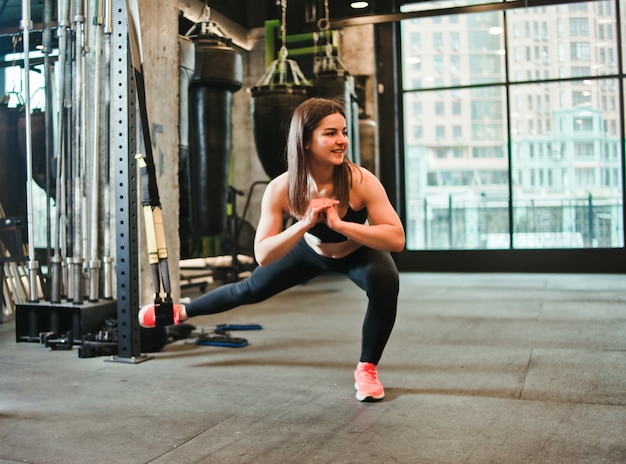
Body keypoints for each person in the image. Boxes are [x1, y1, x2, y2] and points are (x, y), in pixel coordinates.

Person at [139, 97, 405, 402]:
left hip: (357, 251)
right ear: (305, 140)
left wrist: (341, 226)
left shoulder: (360, 180)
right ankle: (178, 312)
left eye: (343, 132)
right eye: (331, 133)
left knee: (386, 283)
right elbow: (263, 255)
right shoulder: (282, 188)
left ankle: (367, 368)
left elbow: (396, 239)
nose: (342, 140)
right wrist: (304, 224)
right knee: (248, 289)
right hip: (310, 250)